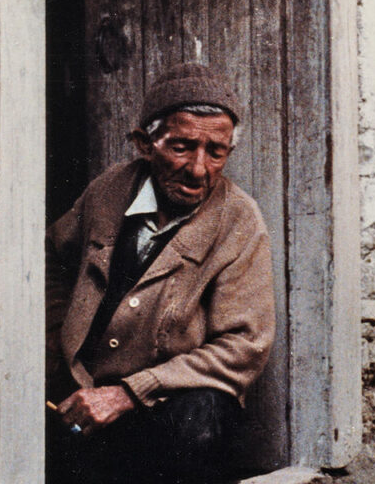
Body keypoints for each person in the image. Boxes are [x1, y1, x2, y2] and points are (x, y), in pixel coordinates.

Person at [45, 62, 275, 484]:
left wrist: (130, 392)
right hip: (83, 402)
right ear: (144, 144)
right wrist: (58, 344)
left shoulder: (240, 221)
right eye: (182, 146)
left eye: (216, 151)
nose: (199, 169)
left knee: (205, 416)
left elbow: (244, 345)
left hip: (168, 410)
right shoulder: (109, 190)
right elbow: (50, 260)